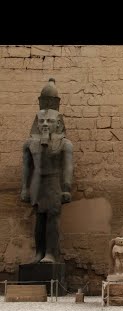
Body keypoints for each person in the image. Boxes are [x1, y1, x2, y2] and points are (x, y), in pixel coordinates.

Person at [21, 79, 73, 263]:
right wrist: (25, 188)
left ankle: (51, 253)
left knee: (52, 219)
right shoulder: (30, 144)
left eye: (49, 121)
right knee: (39, 220)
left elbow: (68, 168)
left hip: (53, 182)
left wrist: (66, 187)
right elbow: (27, 168)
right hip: (37, 182)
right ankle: (39, 253)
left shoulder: (65, 144)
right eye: (41, 120)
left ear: (58, 124)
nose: (44, 124)